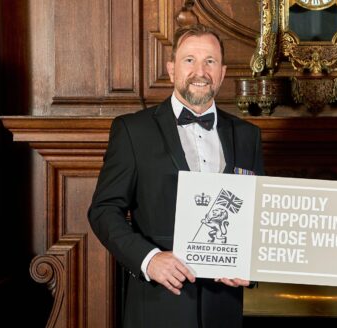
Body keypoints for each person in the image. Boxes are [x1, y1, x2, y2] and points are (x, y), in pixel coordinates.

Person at [88, 24, 264, 328]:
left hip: (224, 310)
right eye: (189, 60)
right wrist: (149, 259)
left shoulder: (247, 135)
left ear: (222, 72)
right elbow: (103, 210)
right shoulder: (132, 131)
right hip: (157, 305)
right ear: (171, 70)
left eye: (210, 61)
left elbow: (258, 216)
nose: (200, 71)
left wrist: (253, 266)